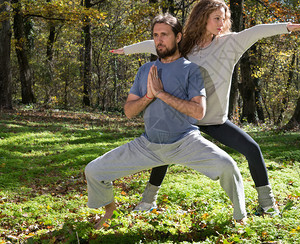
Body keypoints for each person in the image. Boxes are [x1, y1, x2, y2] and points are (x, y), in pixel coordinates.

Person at [110, 0, 300, 215]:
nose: (221, 22)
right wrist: (126, 50)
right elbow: (154, 43)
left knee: (252, 149)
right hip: (186, 119)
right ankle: (148, 201)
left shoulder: (231, 43)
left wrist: (288, 27)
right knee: (164, 153)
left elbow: (257, 31)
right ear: (202, 18)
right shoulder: (185, 45)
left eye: (224, 18)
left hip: (215, 120)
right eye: (216, 17)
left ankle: (268, 205)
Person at [85, 13, 247, 229]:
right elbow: (128, 111)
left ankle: (240, 217)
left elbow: (198, 112)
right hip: (147, 145)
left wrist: (162, 94)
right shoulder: (145, 71)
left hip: (185, 142)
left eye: (164, 34)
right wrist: (148, 97)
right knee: (93, 171)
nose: (159, 40)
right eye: (155, 35)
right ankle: (109, 209)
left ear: (178, 37)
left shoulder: (192, 70)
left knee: (228, 167)